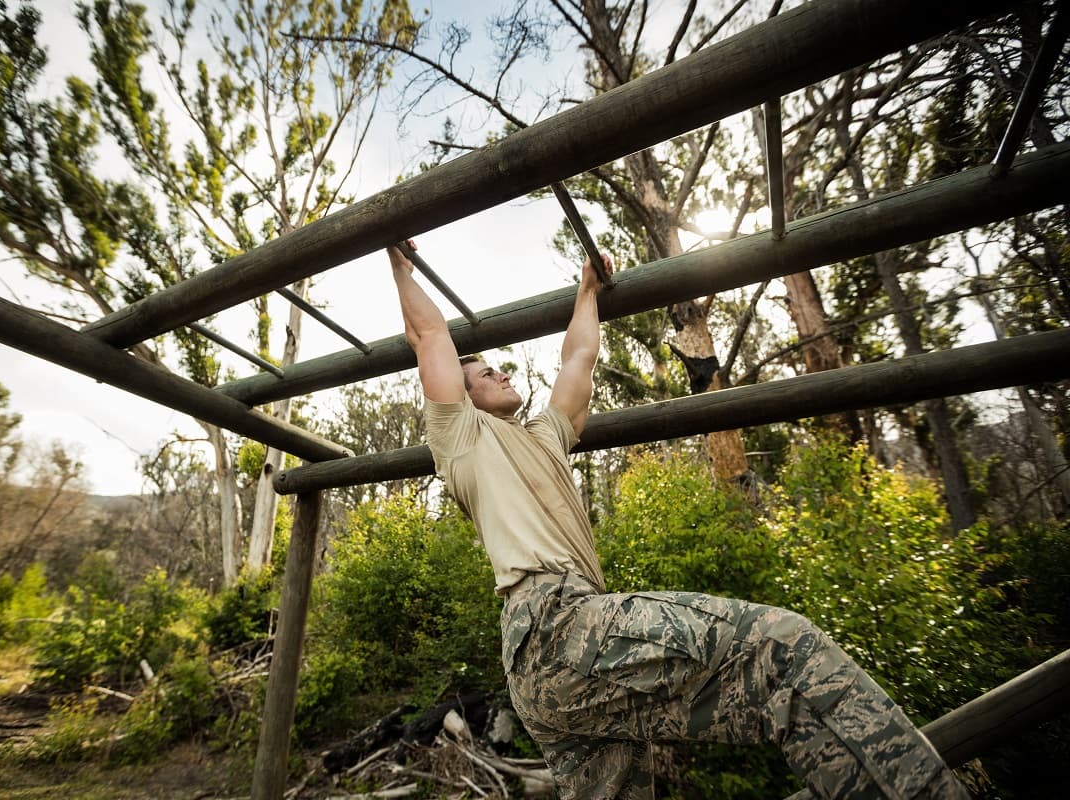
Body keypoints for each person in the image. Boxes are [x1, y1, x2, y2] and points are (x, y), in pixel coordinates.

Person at [388, 240, 968, 800]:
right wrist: (400, 264)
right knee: (781, 652)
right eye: (486, 372)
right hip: (554, 626)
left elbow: (578, 357)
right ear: (462, 396)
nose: (502, 373)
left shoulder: (545, 436)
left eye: (501, 366)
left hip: (552, 667)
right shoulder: (460, 436)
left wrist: (587, 290)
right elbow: (430, 334)